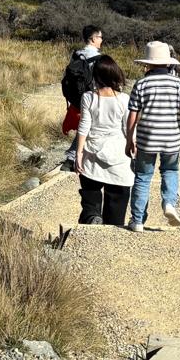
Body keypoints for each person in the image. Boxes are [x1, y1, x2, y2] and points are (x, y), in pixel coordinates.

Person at [125, 40, 180, 231]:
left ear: (147, 64)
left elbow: (132, 116)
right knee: (170, 171)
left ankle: (137, 220)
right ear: (168, 62)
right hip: (171, 139)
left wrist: (129, 140)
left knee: (142, 177)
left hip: (146, 139)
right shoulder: (178, 84)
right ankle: (169, 203)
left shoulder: (141, 84)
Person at [75, 54, 132, 226]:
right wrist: (132, 148)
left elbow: (84, 126)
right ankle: (112, 229)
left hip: (93, 152)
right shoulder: (124, 99)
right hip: (118, 154)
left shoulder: (88, 97)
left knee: (90, 192)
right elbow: (128, 128)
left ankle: (93, 215)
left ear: (96, 76)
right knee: (117, 197)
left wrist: (78, 153)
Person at [59, 25, 104, 171]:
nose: (101, 40)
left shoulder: (76, 55)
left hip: (77, 98)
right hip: (93, 97)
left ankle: (73, 157)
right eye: (100, 37)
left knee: (84, 126)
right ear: (93, 38)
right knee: (90, 127)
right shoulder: (97, 58)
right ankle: (73, 158)